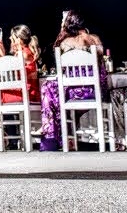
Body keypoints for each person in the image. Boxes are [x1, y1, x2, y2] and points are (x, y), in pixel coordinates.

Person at [39, 10, 104, 151]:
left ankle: (51, 137)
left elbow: (60, 69)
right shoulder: (95, 40)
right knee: (55, 93)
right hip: (94, 91)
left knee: (48, 88)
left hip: (73, 93)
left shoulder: (65, 43)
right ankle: (66, 138)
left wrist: (62, 29)